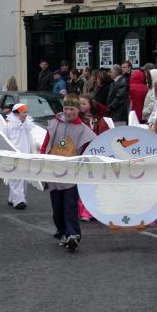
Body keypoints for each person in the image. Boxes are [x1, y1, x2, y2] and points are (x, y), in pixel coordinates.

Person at [40, 93, 96, 251]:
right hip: (54, 171)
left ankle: (73, 235)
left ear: (78, 110)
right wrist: (41, 160)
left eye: (72, 108)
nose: (68, 112)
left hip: (72, 173)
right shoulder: (54, 124)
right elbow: (46, 145)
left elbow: (89, 152)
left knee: (70, 205)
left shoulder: (84, 130)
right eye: (66, 108)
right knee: (57, 206)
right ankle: (63, 231)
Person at [78, 93, 110, 221]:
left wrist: (95, 104)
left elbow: (105, 110)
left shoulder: (98, 118)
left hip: (96, 154)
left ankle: (94, 210)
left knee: (95, 183)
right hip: (82, 153)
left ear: (91, 105)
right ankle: (83, 210)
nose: (81, 106)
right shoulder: (78, 118)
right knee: (83, 182)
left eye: (84, 103)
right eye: (79, 103)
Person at [5, 103, 36, 209]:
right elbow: (6, 138)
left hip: (25, 153)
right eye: (23, 112)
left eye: (26, 112)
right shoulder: (9, 125)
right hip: (14, 153)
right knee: (15, 177)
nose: (26, 114)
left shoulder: (27, 124)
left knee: (23, 177)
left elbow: (30, 138)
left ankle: (12, 198)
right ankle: (18, 201)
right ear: (17, 113)